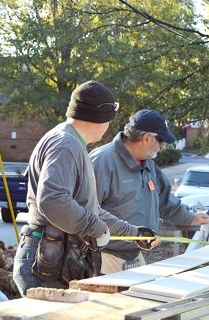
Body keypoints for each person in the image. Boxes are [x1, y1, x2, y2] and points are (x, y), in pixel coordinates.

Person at [13, 81, 141, 295]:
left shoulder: (70, 142)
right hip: (48, 264)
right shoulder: (65, 144)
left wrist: (134, 233)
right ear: (102, 117)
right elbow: (52, 199)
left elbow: (90, 209)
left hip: (55, 259)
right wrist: (95, 228)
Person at [89, 109, 209, 274]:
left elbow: (164, 200)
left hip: (135, 254)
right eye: (161, 141)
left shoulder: (147, 164)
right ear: (147, 138)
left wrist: (190, 218)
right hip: (104, 257)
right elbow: (88, 211)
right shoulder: (102, 162)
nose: (162, 146)